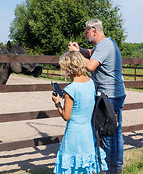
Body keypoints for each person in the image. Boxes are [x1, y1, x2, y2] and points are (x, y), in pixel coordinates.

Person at [68, 19, 126, 174]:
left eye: (86, 31)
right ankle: (116, 166)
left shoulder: (104, 45)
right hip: (114, 94)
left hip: (109, 95)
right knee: (115, 131)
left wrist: (74, 53)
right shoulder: (106, 44)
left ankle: (111, 169)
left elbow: (90, 65)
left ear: (94, 30)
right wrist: (80, 49)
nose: (85, 34)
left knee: (108, 132)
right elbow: (91, 54)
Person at [52, 51, 107, 174]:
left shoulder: (70, 89)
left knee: (72, 165)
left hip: (74, 133)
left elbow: (66, 116)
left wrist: (57, 103)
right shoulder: (90, 82)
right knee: (86, 165)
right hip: (88, 131)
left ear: (67, 68)